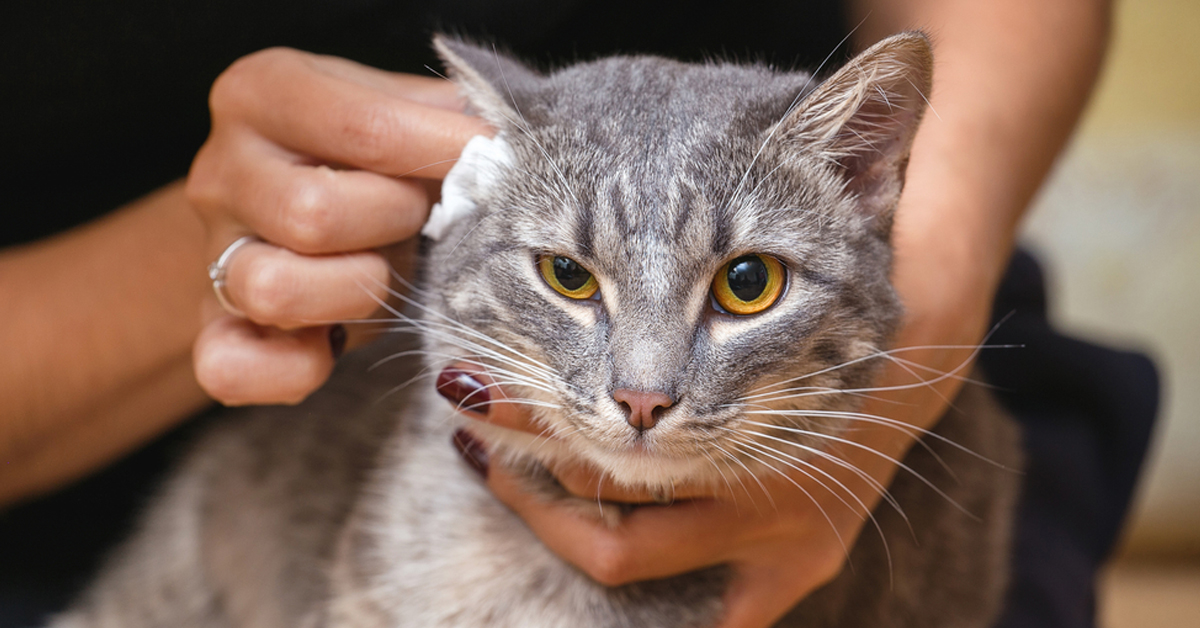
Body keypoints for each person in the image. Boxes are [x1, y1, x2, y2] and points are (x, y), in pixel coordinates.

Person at [1, 1, 1154, 627]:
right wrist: (272, 246)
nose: (643, 388)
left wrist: (929, 302)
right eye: (574, 281)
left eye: (739, 288)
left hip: (894, 371)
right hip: (106, 481)